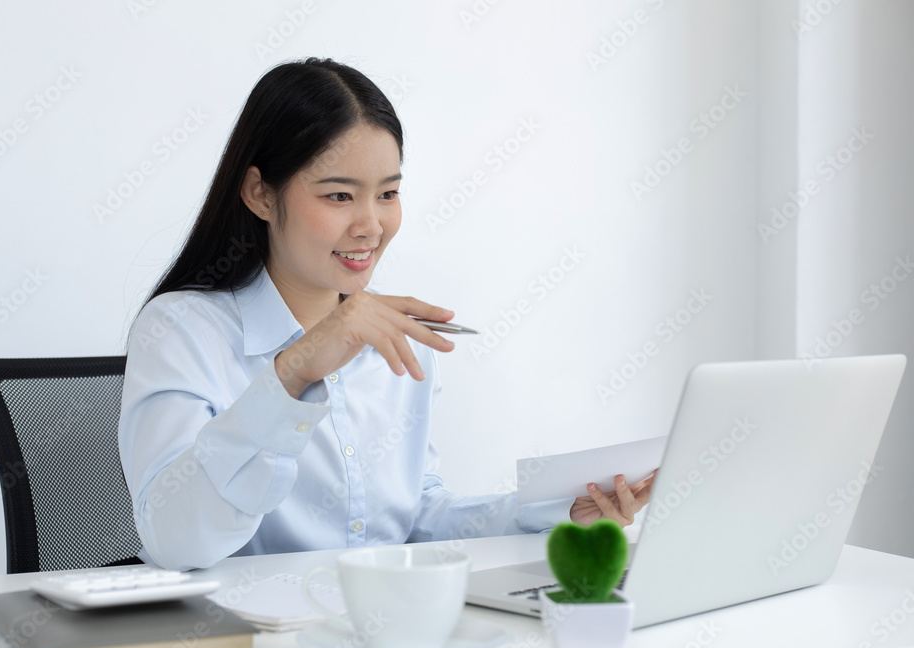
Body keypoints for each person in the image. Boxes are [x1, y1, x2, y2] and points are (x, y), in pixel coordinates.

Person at [119, 57, 654, 571]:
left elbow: (416, 519)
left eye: (388, 193)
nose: (371, 226)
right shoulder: (181, 330)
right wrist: (292, 375)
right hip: (241, 626)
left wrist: (559, 512)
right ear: (260, 193)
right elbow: (176, 541)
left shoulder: (396, 337)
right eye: (339, 196)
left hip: (377, 618)